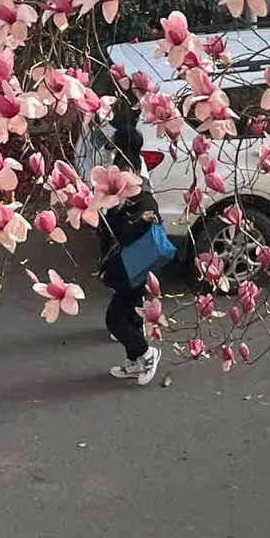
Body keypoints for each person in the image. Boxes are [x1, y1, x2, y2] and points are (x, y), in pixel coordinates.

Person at [97, 120, 162, 386]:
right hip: (128, 268)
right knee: (131, 317)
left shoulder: (142, 199)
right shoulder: (128, 192)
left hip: (134, 268)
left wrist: (125, 216)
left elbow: (124, 234)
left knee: (115, 320)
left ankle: (147, 354)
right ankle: (135, 360)